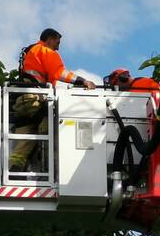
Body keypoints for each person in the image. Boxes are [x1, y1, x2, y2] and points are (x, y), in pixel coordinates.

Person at [9, 29, 97, 173]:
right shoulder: (45, 51)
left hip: (23, 101)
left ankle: (14, 170)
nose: (58, 47)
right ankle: (50, 169)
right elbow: (60, 72)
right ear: (49, 39)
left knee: (24, 140)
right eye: (57, 42)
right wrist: (83, 81)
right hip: (35, 99)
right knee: (52, 129)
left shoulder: (31, 52)